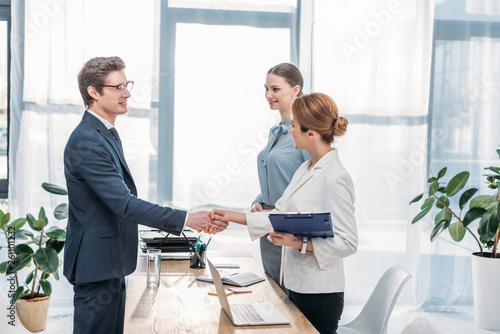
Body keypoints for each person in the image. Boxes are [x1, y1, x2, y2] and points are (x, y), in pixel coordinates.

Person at [63, 56, 228, 334]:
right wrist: (188, 218)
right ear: (93, 92)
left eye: (127, 84)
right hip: (97, 264)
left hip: (109, 262)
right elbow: (123, 204)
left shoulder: (103, 133)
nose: (127, 93)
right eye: (118, 87)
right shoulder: (87, 141)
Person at [212, 92, 357, 334]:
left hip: (319, 294)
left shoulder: (335, 177)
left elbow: (348, 242)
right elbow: (278, 215)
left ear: (311, 134)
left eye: (295, 127)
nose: (290, 132)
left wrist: (298, 243)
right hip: (297, 284)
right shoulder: (306, 167)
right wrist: (229, 216)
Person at [252, 63, 310, 291]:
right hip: (268, 227)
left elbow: (313, 185)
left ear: (296, 89)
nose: (268, 95)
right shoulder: (276, 132)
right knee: (274, 297)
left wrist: (281, 213)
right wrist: (258, 200)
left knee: (291, 304)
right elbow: (277, 178)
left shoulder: (306, 132)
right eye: (266, 89)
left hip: (291, 230)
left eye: (275, 89)